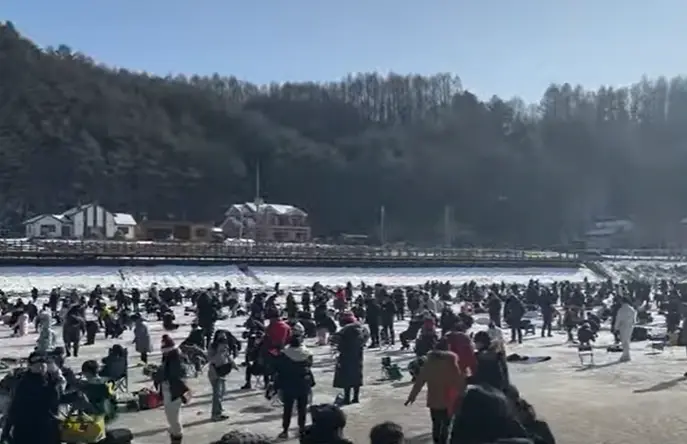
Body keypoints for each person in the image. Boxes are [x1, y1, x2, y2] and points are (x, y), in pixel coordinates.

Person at [404, 339, 465, 444]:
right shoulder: (452, 363)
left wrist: (411, 397)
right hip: (449, 400)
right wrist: (464, 395)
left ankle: (436, 442)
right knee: (447, 425)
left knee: (436, 424)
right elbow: (458, 381)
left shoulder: (429, 364)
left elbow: (419, 382)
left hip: (434, 400)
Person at [0, 352, 62, 444]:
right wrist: (6, 431)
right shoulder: (23, 383)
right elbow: (14, 408)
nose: (40, 366)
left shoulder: (53, 380)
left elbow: (57, 401)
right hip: (27, 429)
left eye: (43, 363)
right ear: (30, 366)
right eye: (37, 364)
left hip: (48, 429)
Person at [274, 334, 314, 439]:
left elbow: (279, 369)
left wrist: (277, 385)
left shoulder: (284, 354)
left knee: (287, 408)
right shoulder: (308, 353)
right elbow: (310, 366)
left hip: (288, 383)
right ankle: (301, 429)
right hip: (303, 383)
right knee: (302, 408)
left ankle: (285, 431)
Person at [158, 335, 190, 444]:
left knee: (173, 418)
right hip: (171, 391)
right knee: (172, 416)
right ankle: (175, 435)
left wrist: (157, 375)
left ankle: (176, 437)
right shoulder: (172, 359)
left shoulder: (175, 362)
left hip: (173, 392)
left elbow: (173, 378)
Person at [333, 313, 368, 405]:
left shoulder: (344, 330)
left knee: (346, 377)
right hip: (358, 355)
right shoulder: (362, 329)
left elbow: (335, 339)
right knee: (357, 375)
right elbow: (366, 338)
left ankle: (347, 398)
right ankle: (356, 398)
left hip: (346, 355)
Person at [207, 331, 235, 421]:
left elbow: (228, 356)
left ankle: (218, 410)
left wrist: (233, 364)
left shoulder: (225, 345)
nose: (223, 338)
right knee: (217, 394)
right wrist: (219, 352)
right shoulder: (212, 346)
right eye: (221, 336)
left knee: (222, 392)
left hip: (223, 372)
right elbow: (211, 359)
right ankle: (215, 414)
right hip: (214, 372)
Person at [614, 296, 636, 362]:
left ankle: (625, 355)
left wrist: (616, 327)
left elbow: (618, 319)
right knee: (627, 340)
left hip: (623, 326)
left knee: (624, 341)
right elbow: (634, 319)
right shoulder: (632, 309)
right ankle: (627, 355)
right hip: (630, 326)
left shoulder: (621, 310)